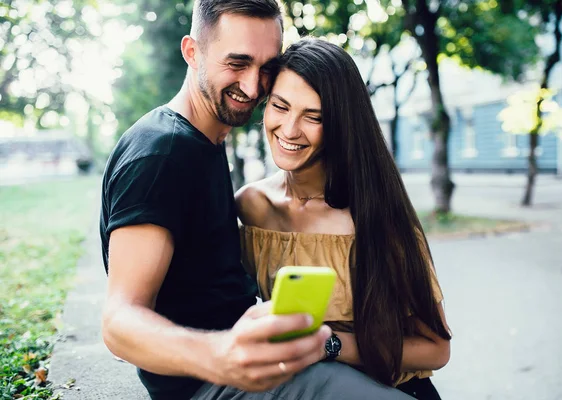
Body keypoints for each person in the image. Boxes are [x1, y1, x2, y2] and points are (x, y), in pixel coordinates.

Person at [99, 1, 414, 399]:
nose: (253, 87)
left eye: (266, 68)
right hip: (214, 384)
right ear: (192, 52)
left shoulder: (207, 140)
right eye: (237, 63)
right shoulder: (163, 155)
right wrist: (222, 355)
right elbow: (118, 322)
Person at [236, 38, 452, 400]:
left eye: (314, 116)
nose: (289, 130)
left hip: (392, 391)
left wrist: (330, 344)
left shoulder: (377, 218)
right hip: (305, 391)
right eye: (280, 106)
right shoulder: (251, 207)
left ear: (340, 124)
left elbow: (436, 349)